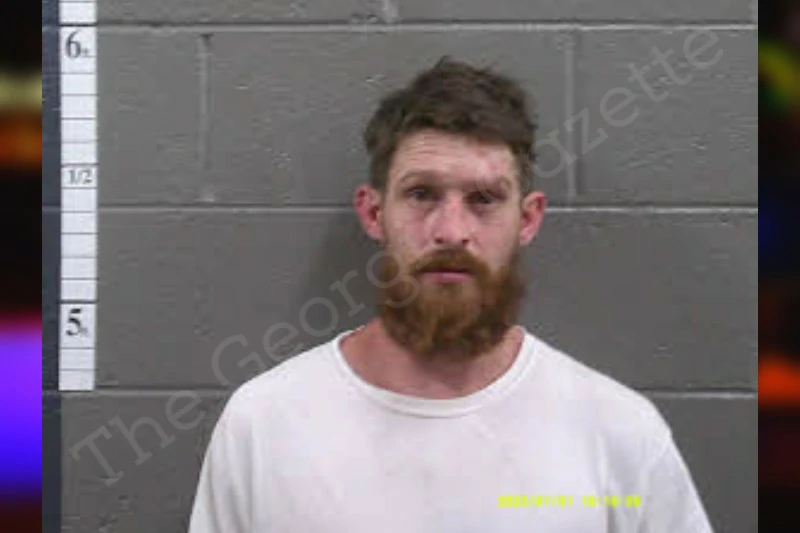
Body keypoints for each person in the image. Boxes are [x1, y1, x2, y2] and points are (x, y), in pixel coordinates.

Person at [188, 56, 714, 533]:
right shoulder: (264, 426)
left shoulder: (620, 435)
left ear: (527, 219)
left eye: (483, 199)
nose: (451, 231)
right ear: (373, 213)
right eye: (422, 194)